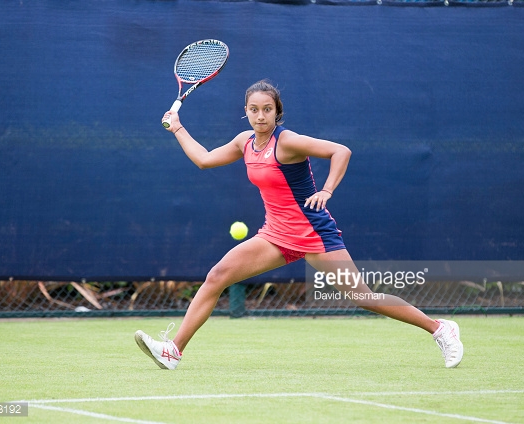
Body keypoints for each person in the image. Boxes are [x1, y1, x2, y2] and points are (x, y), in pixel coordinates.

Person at [135, 79, 463, 370]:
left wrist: (327, 189)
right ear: (246, 111)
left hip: (313, 232)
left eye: (267, 109)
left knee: (363, 296)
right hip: (276, 235)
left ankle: (439, 329)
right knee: (217, 276)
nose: (260, 116)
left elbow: (340, 151)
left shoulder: (287, 141)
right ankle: (173, 351)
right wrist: (178, 127)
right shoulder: (244, 142)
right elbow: (205, 160)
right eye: (254, 109)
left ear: (277, 112)